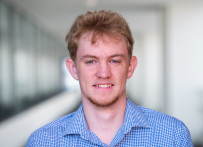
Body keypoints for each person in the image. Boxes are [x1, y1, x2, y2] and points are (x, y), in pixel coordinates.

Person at [26, 10, 193, 146]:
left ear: (130, 67)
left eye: (114, 60)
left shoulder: (173, 137)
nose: (104, 73)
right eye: (91, 61)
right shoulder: (42, 142)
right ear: (73, 69)